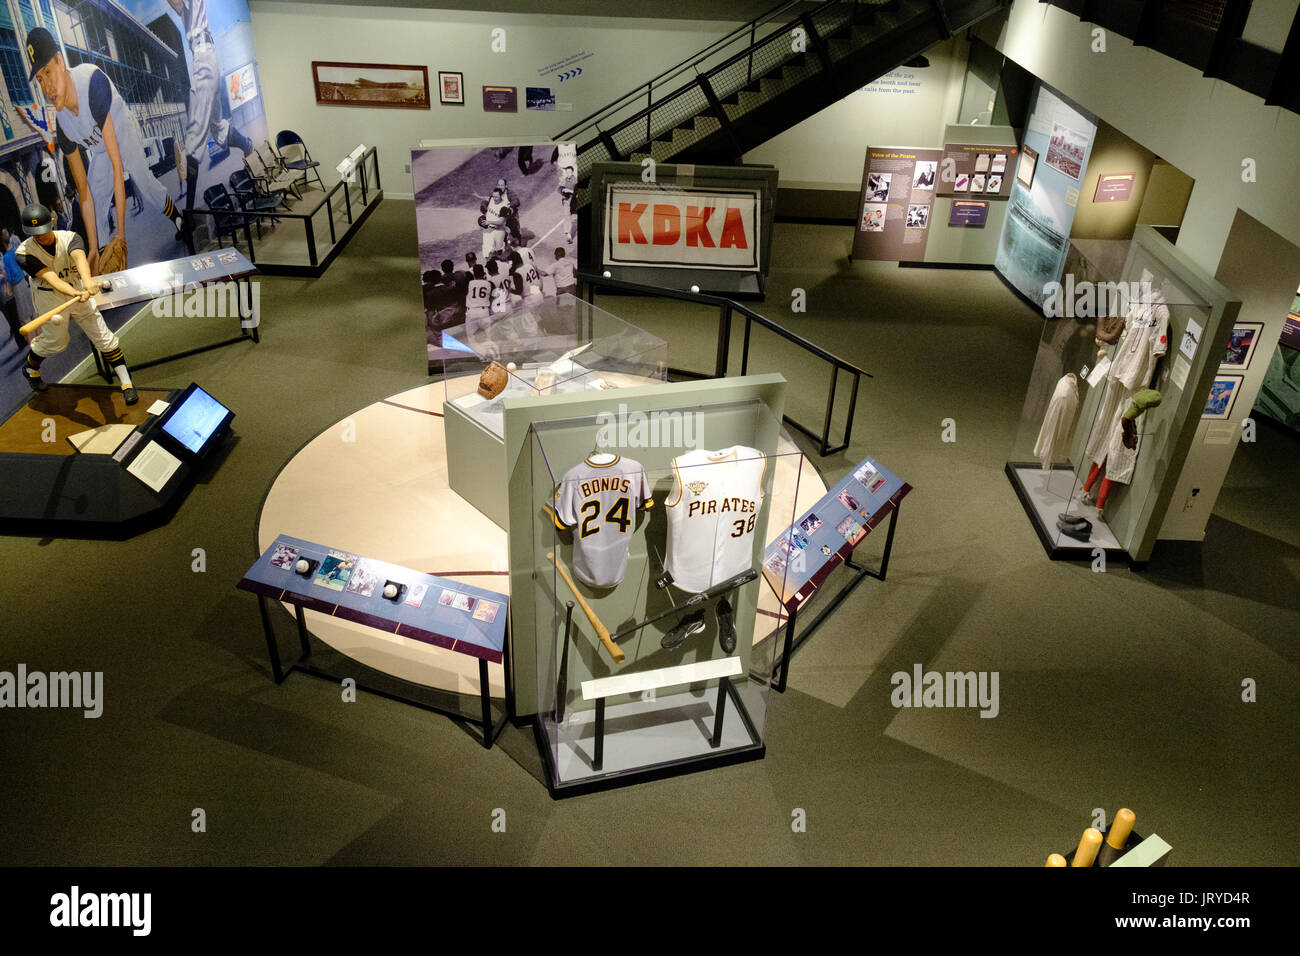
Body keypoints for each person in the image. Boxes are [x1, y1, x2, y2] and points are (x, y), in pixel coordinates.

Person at [26, 27, 185, 271]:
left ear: (60, 61)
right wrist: (92, 248)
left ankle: (179, 220)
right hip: (101, 151)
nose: (46, 85)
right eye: (39, 78)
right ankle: (99, 259)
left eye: (47, 71)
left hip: (124, 131)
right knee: (93, 197)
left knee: (144, 180)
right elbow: (83, 192)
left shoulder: (91, 83)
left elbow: (117, 166)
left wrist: (120, 235)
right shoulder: (63, 124)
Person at [16, 203, 136, 404]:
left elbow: (80, 258)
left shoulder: (70, 237)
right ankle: (30, 368)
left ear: (52, 222)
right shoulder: (24, 253)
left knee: (102, 335)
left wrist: (87, 282)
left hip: (76, 284)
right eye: (34, 233)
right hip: (49, 295)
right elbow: (52, 278)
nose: (40, 236)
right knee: (57, 343)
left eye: (43, 230)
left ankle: (127, 383)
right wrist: (75, 292)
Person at [164, 0, 258, 231]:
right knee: (217, 127)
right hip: (204, 53)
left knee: (195, 135)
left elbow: (176, 5)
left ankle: (188, 216)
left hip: (203, 55)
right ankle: (246, 144)